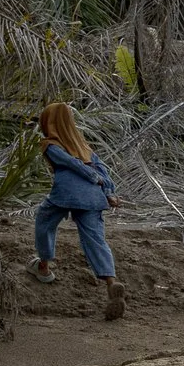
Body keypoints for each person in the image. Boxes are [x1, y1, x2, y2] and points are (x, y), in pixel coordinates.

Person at [32, 101, 126, 320]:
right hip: (93, 197)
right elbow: (102, 169)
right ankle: (111, 282)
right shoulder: (83, 146)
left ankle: (43, 266)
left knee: (44, 222)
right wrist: (109, 190)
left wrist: (93, 177)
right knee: (95, 239)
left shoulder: (50, 144)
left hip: (66, 194)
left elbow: (72, 164)